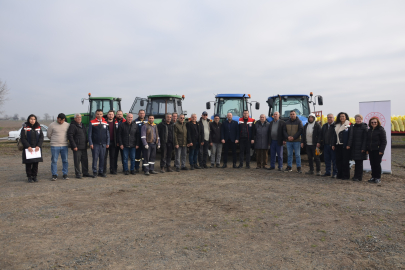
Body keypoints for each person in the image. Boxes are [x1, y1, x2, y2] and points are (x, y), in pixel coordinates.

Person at [21, 114, 44, 183]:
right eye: (31, 119)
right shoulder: (25, 128)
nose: (32, 120)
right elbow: (23, 138)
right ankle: (29, 177)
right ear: (28, 119)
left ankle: (34, 176)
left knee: (35, 163)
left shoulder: (38, 127)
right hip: (28, 149)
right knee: (28, 163)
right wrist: (28, 146)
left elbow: (41, 137)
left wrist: (38, 145)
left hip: (36, 149)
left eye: (34, 119)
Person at [47, 113, 70, 181]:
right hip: (54, 145)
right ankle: (54, 174)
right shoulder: (52, 125)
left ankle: (65, 174)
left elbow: (69, 134)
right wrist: (55, 140)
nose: (61, 122)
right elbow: (49, 135)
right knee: (54, 160)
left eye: (62, 120)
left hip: (64, 145)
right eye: (60, 120)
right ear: (57, 118)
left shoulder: (67, 125)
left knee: (65, 160)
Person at [67, 113, 90, 179]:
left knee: (85, 160)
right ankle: (78, 174)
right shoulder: (73, 126)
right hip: (77, 147)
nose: (79, 118)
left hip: (84, 146)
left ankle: (85, 173)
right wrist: (74, 146)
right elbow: (70, 136)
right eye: (77, 117)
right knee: (77, 161)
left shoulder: (82, 125)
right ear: (75, 118)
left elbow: (85, 134)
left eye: (80, 117)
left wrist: (87, 142)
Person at [88, 109, 110, 178]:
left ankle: (101, 171)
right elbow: (89, 134)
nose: (99, 115)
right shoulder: (92, 122)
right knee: (95, 158)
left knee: (102, 158)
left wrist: (107, 143)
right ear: (95, 115)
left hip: (103, 144)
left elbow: (107, 134)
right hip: (95, 144)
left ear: (102, 114)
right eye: (98, 114)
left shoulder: (105, 122)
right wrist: (91, 143)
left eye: (100, 114)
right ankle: (95, 172)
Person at [331, 112, 353, 180]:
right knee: (338, 161)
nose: (342, 117)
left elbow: (351, 136)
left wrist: (349, 144)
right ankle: (339, 174)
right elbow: (334, 136)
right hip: (338, 145)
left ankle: (346, 176)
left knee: (345, 161)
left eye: (343, 116)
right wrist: (333, 144)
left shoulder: (349, 124)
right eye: (340, 116)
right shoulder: (337, 125)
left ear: (346, 117)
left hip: (345, 145)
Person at [366, 117, 387, 184]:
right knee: (372, 164)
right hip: (371, 150)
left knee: (377, 164)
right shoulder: (369, 130)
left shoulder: (381, 130)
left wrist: (381, 150)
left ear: (377, 123)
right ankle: (373, 177)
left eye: (375, 122)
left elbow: (384, 141)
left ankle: (378, 177)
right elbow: (367, 141)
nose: (373, 123)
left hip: (378, 150)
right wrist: (367, 149)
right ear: (370, 123)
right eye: (372, 122)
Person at [350, 114, 368, 181]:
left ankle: (359, 177)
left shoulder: (364, 127)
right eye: (357, 119)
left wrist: (363, 148)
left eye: (359, 119)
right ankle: (355, 176)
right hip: (355, 148)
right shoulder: (353, 127)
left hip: (361, 148)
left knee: (359, 164)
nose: (358, 120)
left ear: (361, 120)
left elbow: (365, 139)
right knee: (356, 163)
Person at [319, 113, 337, 178]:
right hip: (326, 145)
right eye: (328, 117)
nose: (329, 118)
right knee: (327, 160)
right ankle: (328, 172)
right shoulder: (324, 126)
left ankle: (335, 173)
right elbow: (322, 135)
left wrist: (333, 144)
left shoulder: (336, 126)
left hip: (332, 146)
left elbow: (336, 136)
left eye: (330, 117)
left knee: (334, 160)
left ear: (333, 118)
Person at [104, 110, 117, 174]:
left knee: (112, 157)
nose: (110, 115)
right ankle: (104, 170)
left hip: (113, 142)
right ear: (107, 115)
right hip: (105, 142)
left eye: (112, 114)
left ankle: (112, 170)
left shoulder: (116, 123)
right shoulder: (104, 122)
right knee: (104, 157)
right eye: (109, 114)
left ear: (114, 115)